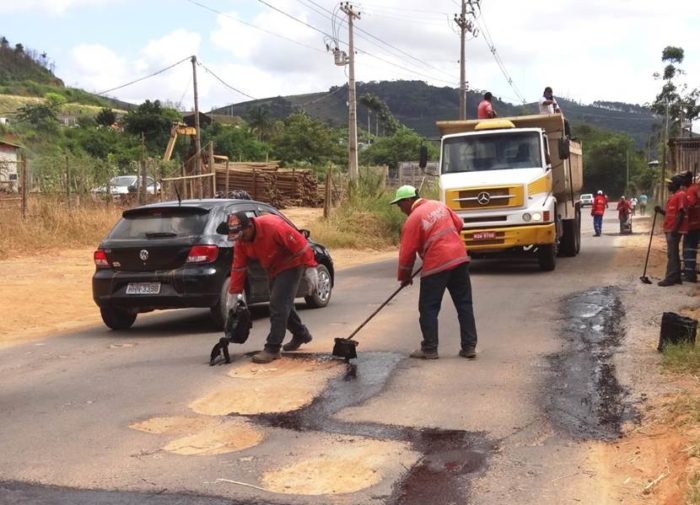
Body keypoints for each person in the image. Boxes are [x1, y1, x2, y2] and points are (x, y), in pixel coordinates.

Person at [390, 185, 478, 360]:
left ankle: (429, 348)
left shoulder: (413, 219)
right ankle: (469, 347)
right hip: (459, 259)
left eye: (400, 205)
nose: (400, 209)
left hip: (437, 264)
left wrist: (405, 277)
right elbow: (459, 224)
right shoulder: (439, 205)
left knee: (428, 308)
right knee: (464, 304)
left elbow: (406, 254)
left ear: (408, 201)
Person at [226, 210, 316, 363]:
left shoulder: (273, 226)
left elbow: (300, 245)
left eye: (241, 234)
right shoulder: (241, 241)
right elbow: (238, 267)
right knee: (282, 303)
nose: (240, 239)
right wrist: (234, 293)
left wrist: (310, 267)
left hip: (292, 263)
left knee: (278, 304)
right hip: (273, 267)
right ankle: (301, 334)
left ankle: (273, 348)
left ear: (249, 227)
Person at [654, 175, 687, 287]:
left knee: (672, 253)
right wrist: (660, 211)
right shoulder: (673, 196)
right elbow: (670, 214)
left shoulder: (681, 195)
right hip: (669, 228)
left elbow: (681, 213)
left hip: (674, 229)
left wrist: (675, 228)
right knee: (673, 253)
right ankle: (676, 276)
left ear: (676, 184)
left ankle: (670, 277)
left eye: (670, 183)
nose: (668, 185)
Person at [682, 171, 699, 282]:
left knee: (689, 250)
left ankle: (690, 274)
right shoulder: (696, 188)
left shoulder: (691, 190)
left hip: (693, 226)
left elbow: (690, 204)